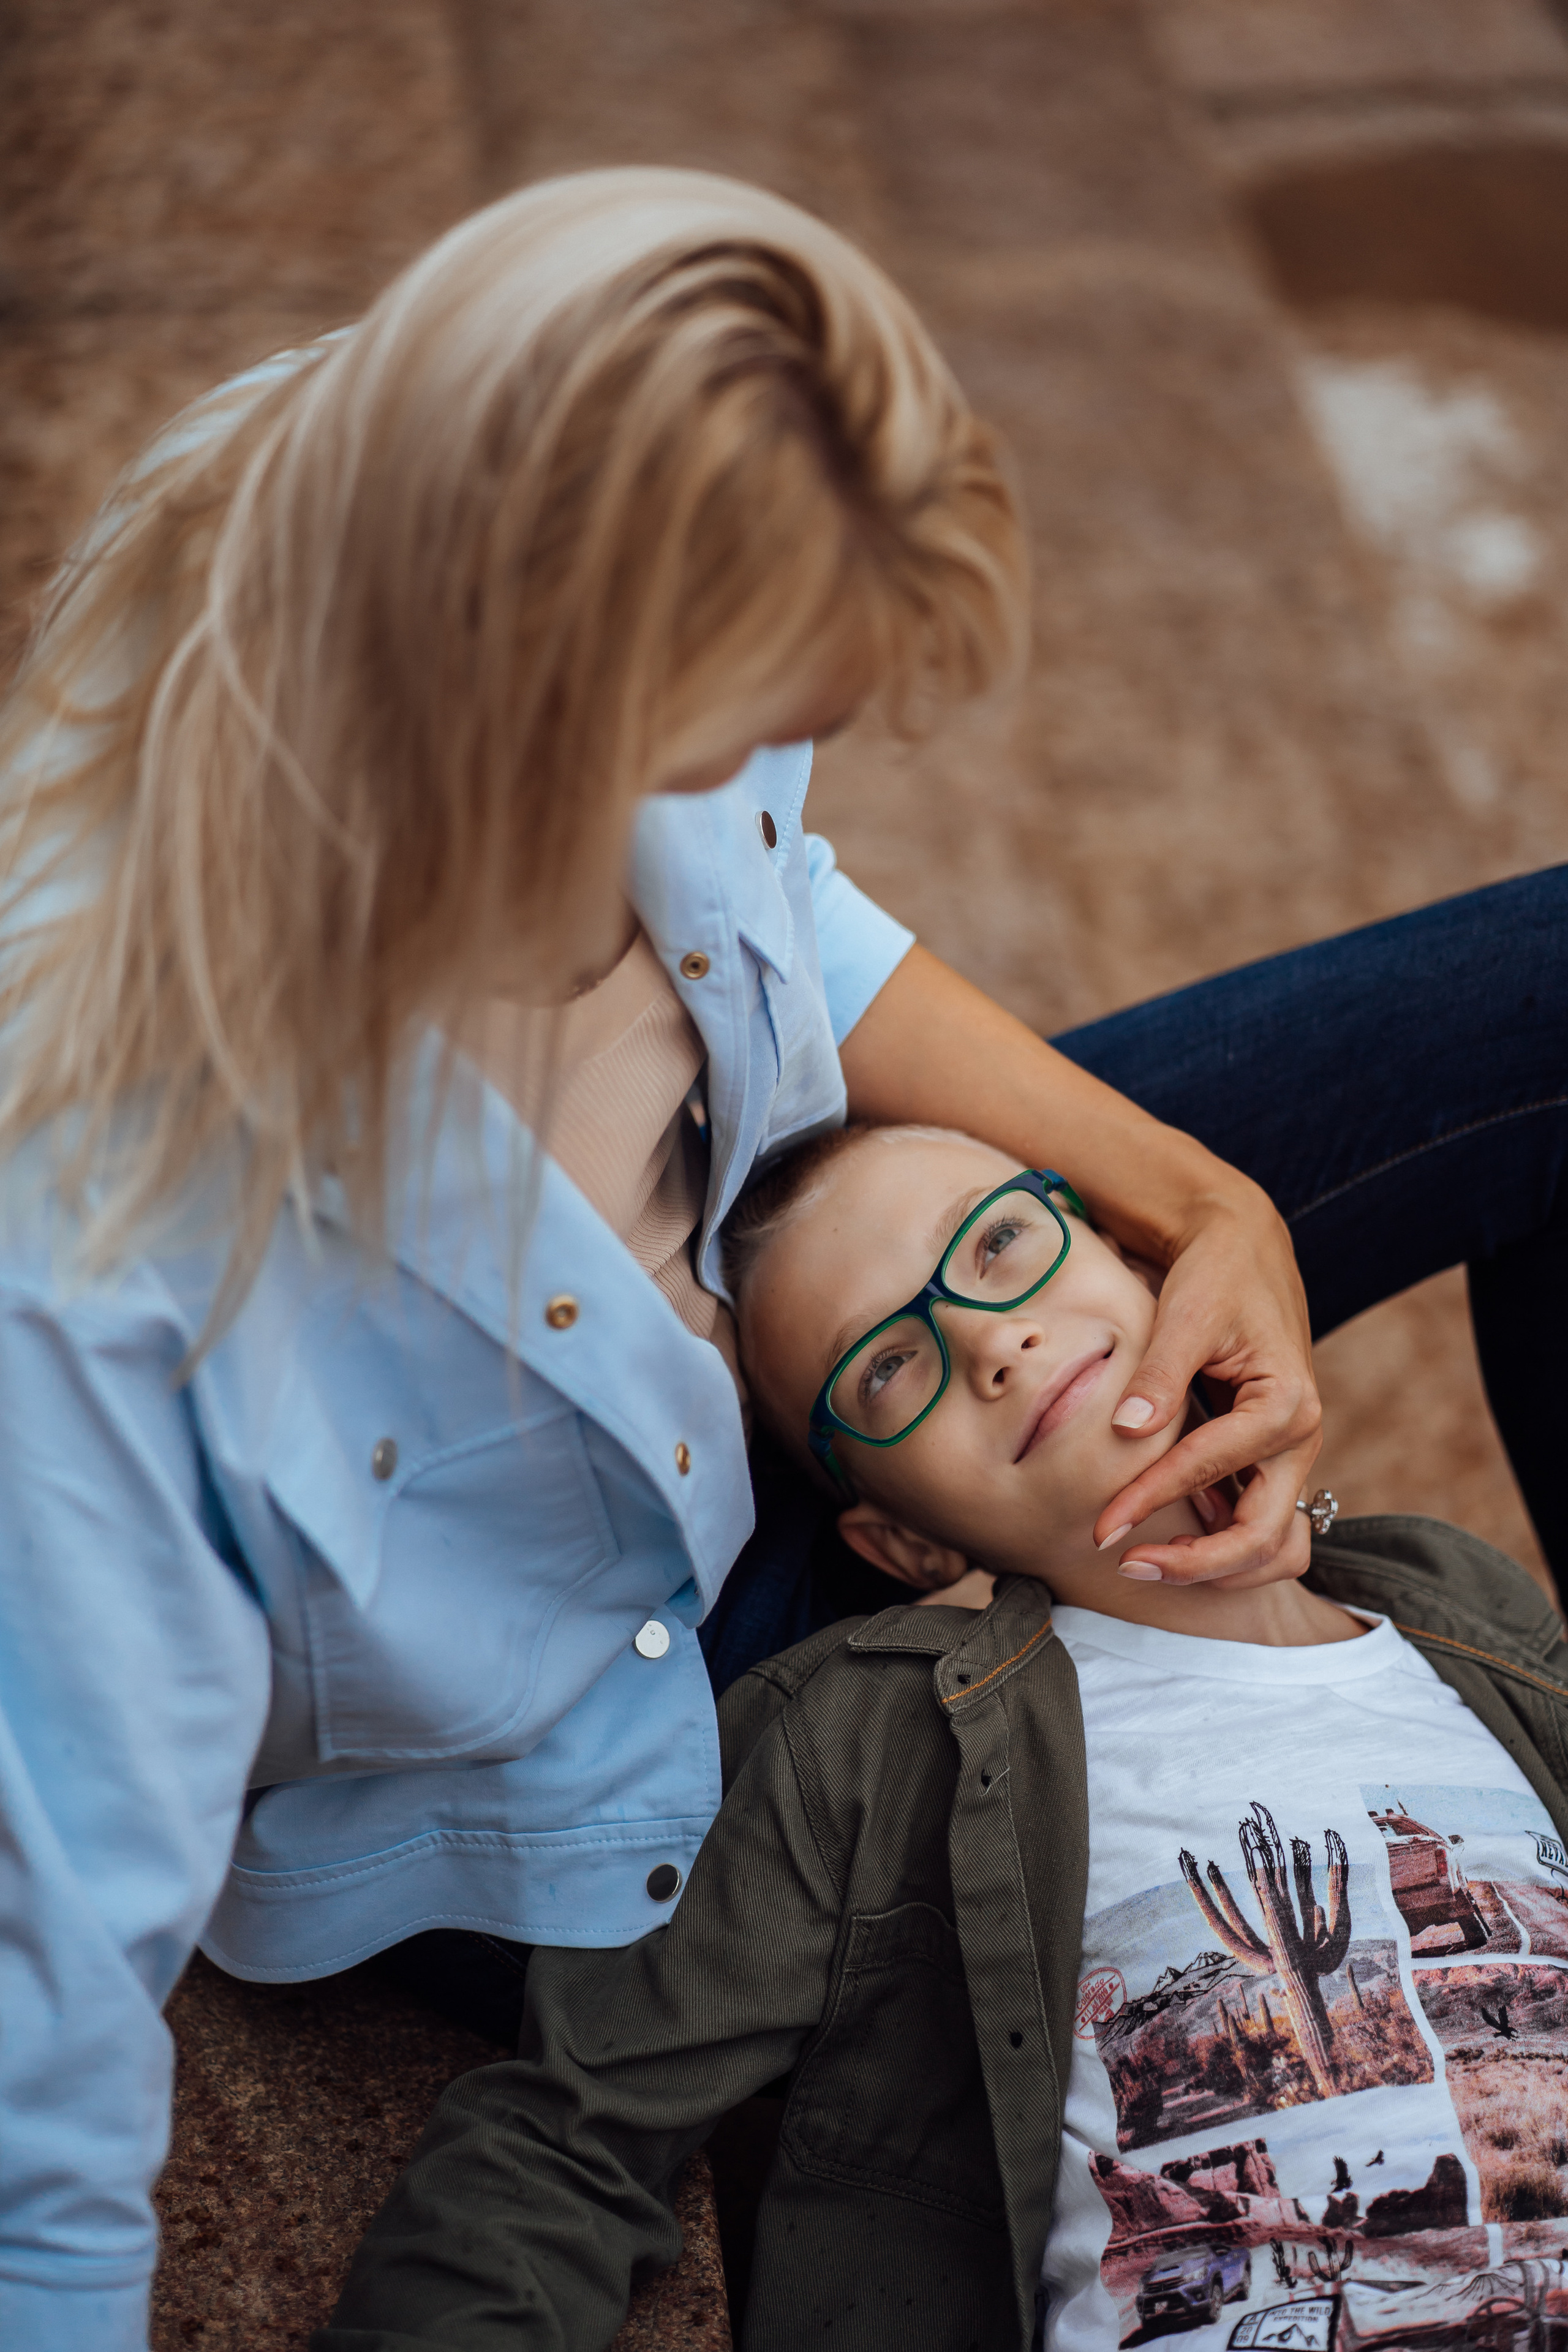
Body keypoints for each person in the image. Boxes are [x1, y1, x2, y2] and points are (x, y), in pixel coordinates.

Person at [0, 159, 1562, 2348]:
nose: (749, 793)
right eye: (718, 742)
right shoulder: (97, 1259)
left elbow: (792, 910)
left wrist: (1198, 1196)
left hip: (823, 1311)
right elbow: (35, 2082)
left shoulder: (460, 489)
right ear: (500, 717)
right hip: (593, 1731)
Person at [317, 1124, 1568, 2352]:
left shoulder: (1455, 1601)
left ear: (1142, 1266)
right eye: (885, 1369)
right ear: (902, 1544)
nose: (986, 1340)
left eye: (1000, 1243)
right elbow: (564, 2145)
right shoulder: (861, 1738)